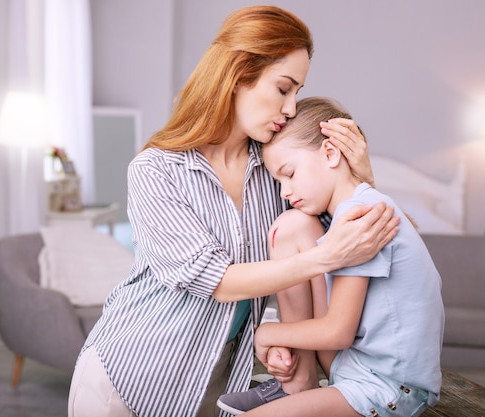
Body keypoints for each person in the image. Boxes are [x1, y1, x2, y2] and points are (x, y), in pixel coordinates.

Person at [67, 6, 400, 417]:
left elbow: (354, 242)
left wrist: (361, 179)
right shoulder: (156, 170)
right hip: (128, 379)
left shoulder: (279, 174)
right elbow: (215, 280)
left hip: (220, 381)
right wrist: (326, 258)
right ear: (238, 76)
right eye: (283, 88)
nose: (292, 108)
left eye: (297, 92)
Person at [216, 97, 444, 417]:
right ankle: (297, 382)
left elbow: (338, 331)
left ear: (330, 153)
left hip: (388, 387)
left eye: (289, 173)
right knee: (291, 227)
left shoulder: (357, 216)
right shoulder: (350, 210)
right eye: (278, 181)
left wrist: (266, 334)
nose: (284, 191)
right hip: (352, 367)